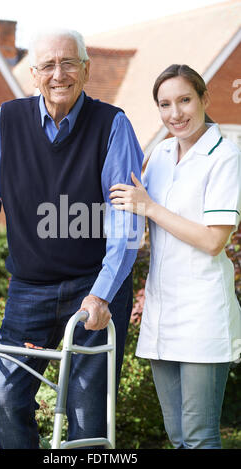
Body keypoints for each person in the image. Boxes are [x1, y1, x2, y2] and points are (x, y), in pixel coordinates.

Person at [0, 28, 144, 448]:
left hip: (94, 286)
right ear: (34, 74)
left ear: (86, 69)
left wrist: (102, 294)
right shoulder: (7, 119)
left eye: (69, 62)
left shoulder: (113, 125)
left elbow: (126, 224)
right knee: (5, 400)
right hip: (29, 289)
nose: (60, 74)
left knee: (86, 414)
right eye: (49, 65)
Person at [109, 64, 241, 449]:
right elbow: (132, 205)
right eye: (165, 104)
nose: (175, 113)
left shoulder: (226, 157)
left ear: (204, 99)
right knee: (178, 435)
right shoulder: (162, 153)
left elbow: (213, 240)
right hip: (162, 311)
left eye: (184, 100)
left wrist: (149, 207)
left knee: (199, 437)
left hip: (203, 313)